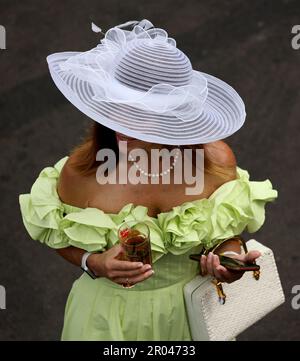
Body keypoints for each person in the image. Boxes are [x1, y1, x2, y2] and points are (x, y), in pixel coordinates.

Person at [19, 19, 277, 340]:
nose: (124, 126)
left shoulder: (214, 161)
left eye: (145, 112)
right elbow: (57, 237)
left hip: (193, 317)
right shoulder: (81, 171)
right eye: (119, 106)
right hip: (107, 322)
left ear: (177, 114)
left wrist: (231, 259)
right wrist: (93, 262)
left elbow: (226, 236)